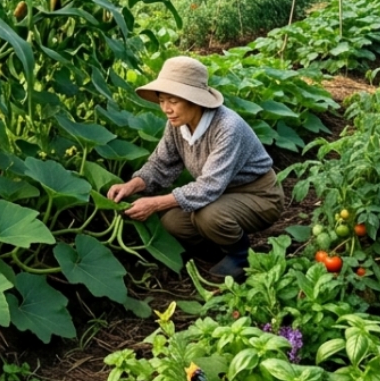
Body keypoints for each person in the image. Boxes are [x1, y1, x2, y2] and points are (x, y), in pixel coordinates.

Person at [107, 56, 282, 280]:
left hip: (259, 195)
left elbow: (208, 187)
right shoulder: (177, 125)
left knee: (208, 216)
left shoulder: (228, 127)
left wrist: (155, 203)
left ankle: (242, 256)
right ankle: (219, 248)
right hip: (220, 194)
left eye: (173, 101)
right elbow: (161, 164)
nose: (166, 109)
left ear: (195, 100)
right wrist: (132, 185)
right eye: (162, 101)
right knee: (172, 222)